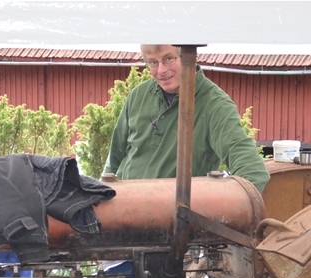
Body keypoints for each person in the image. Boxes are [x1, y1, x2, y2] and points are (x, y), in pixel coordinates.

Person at [104, 44, 270, 193]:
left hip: (173, 214)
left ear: (190, 56)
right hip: (123, 205)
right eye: (153, 62)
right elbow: (114, 159)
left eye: (168, 59)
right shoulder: (138, 95)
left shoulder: (215, 106)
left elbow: (253, 172)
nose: (161, 70)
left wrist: (221, 209)